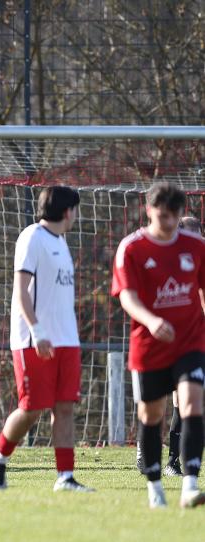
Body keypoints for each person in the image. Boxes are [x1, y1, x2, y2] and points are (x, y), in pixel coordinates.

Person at [0, 186, 94, 493]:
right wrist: (37, 330)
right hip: (34, 340)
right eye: (75, 209)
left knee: (64, 408)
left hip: (67, 340)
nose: (77, 215)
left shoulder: (61, 241)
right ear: (67, 211)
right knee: (32, 408)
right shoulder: (32, 237)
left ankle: (65, 477)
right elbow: (20, 291)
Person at [112, 183, 205, 508]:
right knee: (152, 415)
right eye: (163, 216)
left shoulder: (195, 246)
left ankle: (190, 485)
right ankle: (155, 487)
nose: (169, 223)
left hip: (190, 341)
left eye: (175, 216)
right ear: (150, 211)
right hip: (149, 346)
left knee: (193, 404)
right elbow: (127, 296)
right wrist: (151, 321)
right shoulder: (132, 248)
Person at [136, 215, 204, 476]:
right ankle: (166, 458)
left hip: (195, 340)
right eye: (191, 235)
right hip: (164, 342)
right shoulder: (160, 259)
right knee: (169, 403)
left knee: (191, 403)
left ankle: (180, 464)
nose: (195, 241)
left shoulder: (199, 257)